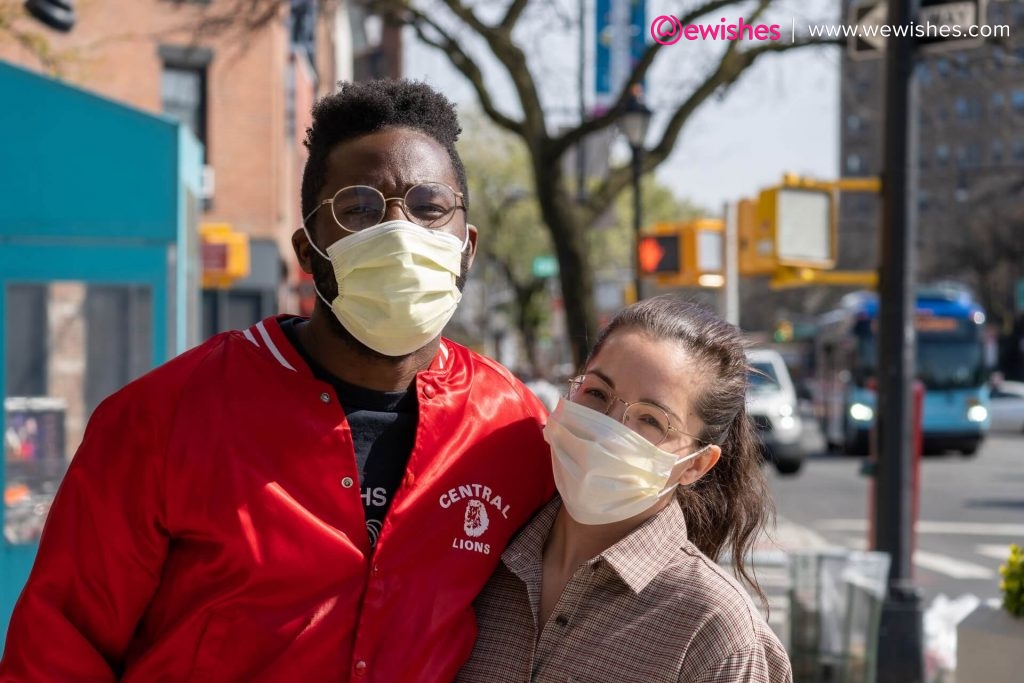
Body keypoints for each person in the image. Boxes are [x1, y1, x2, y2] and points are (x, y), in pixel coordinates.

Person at [0, 80, 555, 682]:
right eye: (359, 209)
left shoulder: (515, 429)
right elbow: (57, 646)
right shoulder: (164, 417)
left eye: (429, 206)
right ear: (309, 252)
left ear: (467, 247)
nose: (400, 234)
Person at [458, 296, 792, 683]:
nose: (610, 428)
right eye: (597, 393)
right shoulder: (478, 561)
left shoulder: (714, 631)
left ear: (696, 464)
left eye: (651, 419)